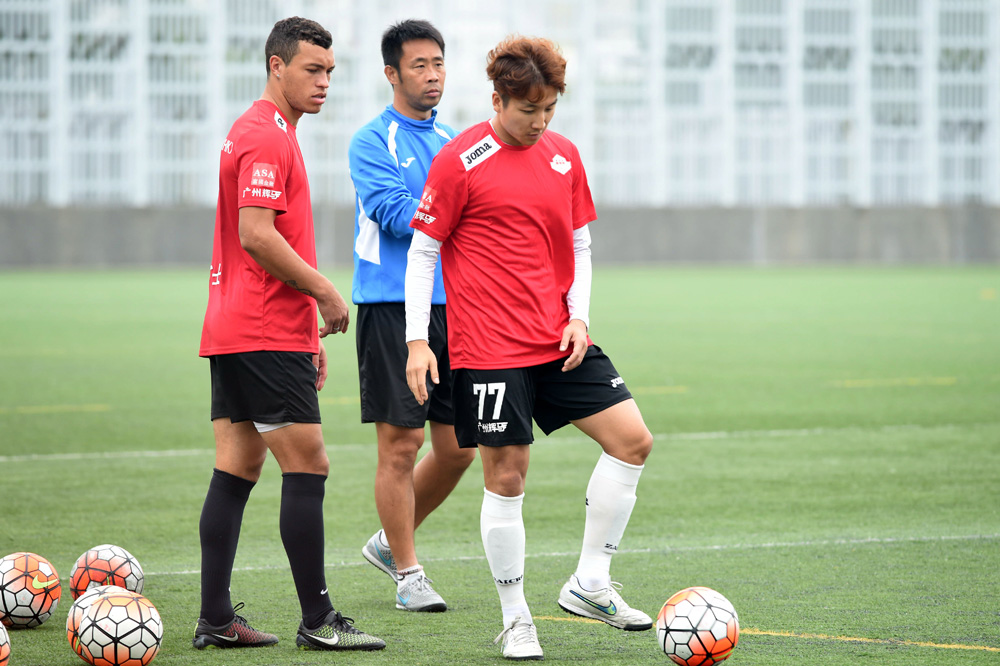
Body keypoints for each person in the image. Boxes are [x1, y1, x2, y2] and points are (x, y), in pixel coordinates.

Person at [404, 36, 655, 660]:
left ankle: (590, 583)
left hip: (557, 338)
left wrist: (579, 317)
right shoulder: (461, 160)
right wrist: (417, 341)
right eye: (528, 110)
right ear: (498, 100)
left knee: (633, 441)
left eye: (550, 109)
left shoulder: (564, 156)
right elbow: (424, 251)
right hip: (490, 349)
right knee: (508, 478)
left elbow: (580, 244)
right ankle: (516, 618)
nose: (541, 122)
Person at [195, 16, 384, 652]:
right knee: (309, 464)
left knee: (237, 465)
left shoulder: (265, 129)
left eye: (329, 70)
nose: (324, 81)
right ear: (276, 66)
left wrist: (308, 333)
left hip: (242, 328)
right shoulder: (265, 134)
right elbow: (256, 234)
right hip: (261, 330)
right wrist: (324, 292)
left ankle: (216, 618)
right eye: (312, 69)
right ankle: (318, 620)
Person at [348, 19, 476, 613]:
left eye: (439, 63)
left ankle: (386, 541)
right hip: (391, 307)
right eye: (419, 65)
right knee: (401, 445)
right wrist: (457, 211)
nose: (433, 75)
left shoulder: (458, 140)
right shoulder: (371, 140)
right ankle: (408, 572)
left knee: (459, 449)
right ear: (392, 74)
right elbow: (395, 212)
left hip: (456, 308)